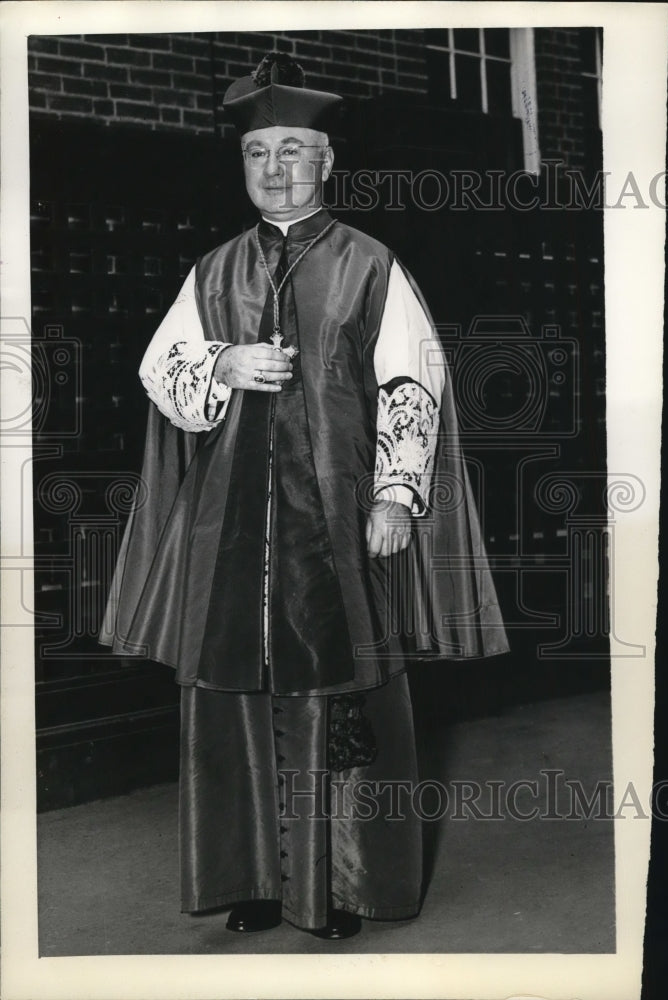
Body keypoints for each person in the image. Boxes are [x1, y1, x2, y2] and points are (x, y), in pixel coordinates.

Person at [101, 52, 508, 941]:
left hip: (335, 516)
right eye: (257, 152)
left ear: (326, 161)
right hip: (231, 522)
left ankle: (339, 888)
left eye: (292, 150)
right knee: (232, 692)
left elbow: (414, 382)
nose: (275, 168)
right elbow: (159, 371)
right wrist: (220, 363)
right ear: (241, 165)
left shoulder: (370, 264)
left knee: (343, 694)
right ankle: (251, 877)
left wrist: (396, 494)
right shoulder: (211, 272)